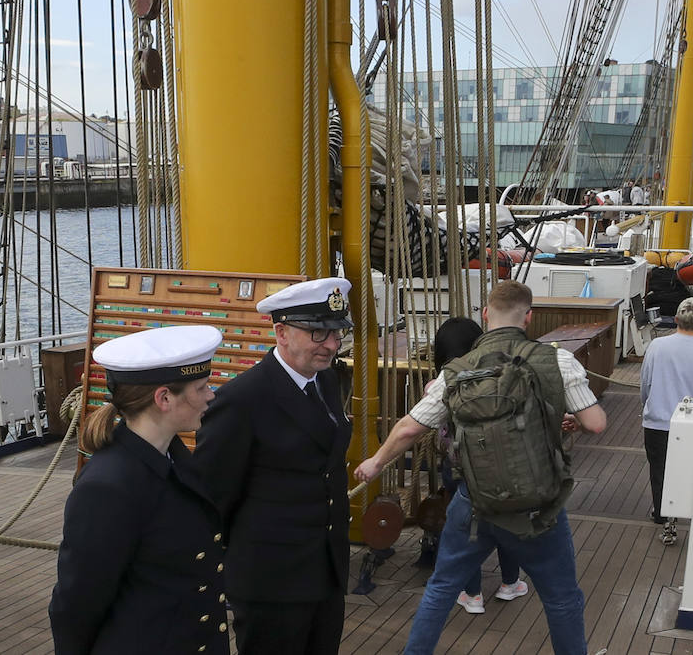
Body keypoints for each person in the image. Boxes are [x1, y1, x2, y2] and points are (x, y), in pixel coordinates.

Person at [354, 281, 607, 655]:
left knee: (441, 589)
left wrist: (375, 462)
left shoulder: (455, 372)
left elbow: (410, 427)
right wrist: (567, 419)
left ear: (485, 315)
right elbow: (596, 423)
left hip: (475, 503)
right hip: (537, 507)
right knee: (562, 598)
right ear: (529, 317)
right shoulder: (557, 361)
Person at [192, 277, 354, 654]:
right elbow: (213, 497)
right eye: (318, 333)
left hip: (325, 572)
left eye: (337, 333)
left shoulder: (326, 382)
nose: (331, 345)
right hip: (272, 583)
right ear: (281, 332)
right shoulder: (241, 401)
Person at [49, 325, 226, 654]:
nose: (211, 395)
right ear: (164, 398)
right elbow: (77, 604)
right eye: (201, 387)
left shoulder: (172, 454)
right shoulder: (107, 488)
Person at [428, 317, 526, 614]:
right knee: (505, 525)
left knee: (464, 532)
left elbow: (427, 423)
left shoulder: (439, 384)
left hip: (457, 467)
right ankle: (510, 583)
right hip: (497, 467)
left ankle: (472, 595)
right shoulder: (498, 378)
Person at [640, 296, 693, 545]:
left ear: (675, 319)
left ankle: (663, 513)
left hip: (659, 421)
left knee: (660, 469)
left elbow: (646, 383)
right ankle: (686, 508)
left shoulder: (657, 346)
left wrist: (647, 405)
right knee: (691, 467)